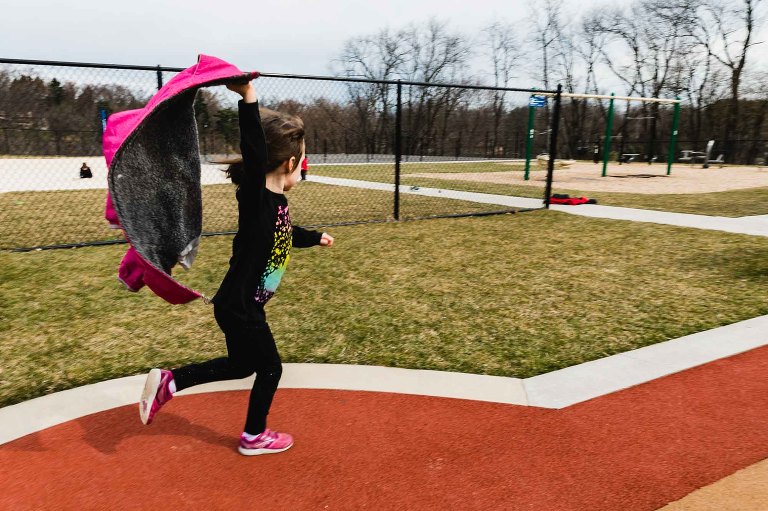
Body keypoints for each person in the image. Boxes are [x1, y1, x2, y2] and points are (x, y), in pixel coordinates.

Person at [139, 79, 334, 456]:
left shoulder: (274, 204)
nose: (304, 170)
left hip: (239, 304)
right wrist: (248, 97)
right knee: (271, 369)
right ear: (291, 163)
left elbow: (283, 233)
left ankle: (170, 382)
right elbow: (253, 145)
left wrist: (314, 237)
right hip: (242, 307)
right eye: (304, 163)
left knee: (243, 365)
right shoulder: (258, 197)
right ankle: (253, 436)